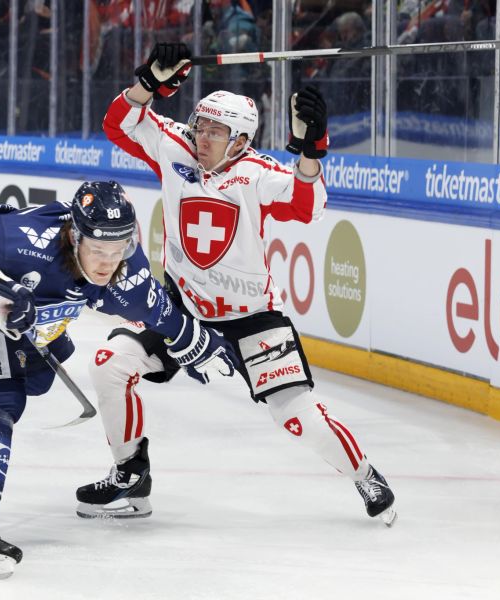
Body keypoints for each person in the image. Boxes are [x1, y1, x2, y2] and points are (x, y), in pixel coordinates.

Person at [76, 42, 396, 525]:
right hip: (180, 311)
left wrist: (311, 152)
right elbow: (117, 123)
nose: (202, 135)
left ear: (241, 140)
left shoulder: (258, 173)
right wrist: (149, 81)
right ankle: (131, 475)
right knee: (108, 366)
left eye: (216, 130)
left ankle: (364, 473)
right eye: (200, 124)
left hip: (252, 320)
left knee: (296, 417)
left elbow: (309, 207)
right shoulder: (174, 148)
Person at [0, 180, 239, 578]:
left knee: (36, 376)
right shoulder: (24, 242)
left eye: (117, 250)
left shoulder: (125, 269)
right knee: (1, 397)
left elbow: (162, 314)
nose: (107, 262)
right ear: (74, 235)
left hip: (28, 308)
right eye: (98, 250)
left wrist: (199, 340)